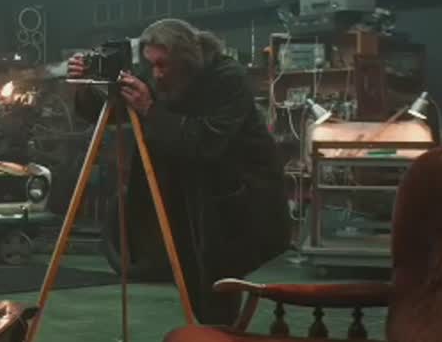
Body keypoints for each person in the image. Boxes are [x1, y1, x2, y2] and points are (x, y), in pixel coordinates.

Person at [66, 18, 290, 326]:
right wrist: (83, 87)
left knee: (218, 277)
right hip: (186, 188)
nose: (156, 73)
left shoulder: (226, 77)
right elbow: (111, 112)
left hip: (237, 190)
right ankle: (211, 335)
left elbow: (207, 141)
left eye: (164, 65)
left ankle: (220, 339)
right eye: (151, 64)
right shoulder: (155, 75)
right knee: (190, 273)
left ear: (186, 60)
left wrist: (150, 109)